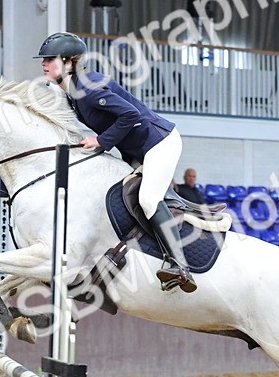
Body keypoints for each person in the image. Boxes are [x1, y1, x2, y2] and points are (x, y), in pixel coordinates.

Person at [36, 32, 195, 293]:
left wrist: (100, 141)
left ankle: (179, 266)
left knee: (148, 200)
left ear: (69, 62)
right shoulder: (72, 92)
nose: (43, 64)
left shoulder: (87, 89)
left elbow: (130, 114)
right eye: (43, 60)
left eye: (50, 59)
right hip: (135, 147)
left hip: (159, 142)